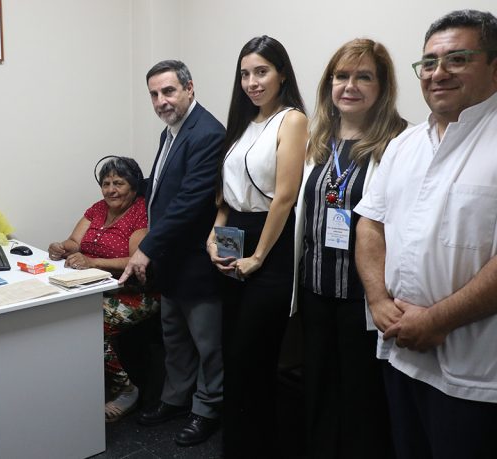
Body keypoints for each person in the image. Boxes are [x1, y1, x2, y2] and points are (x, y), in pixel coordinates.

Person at [355, 9, 497, 459]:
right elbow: (370, 224)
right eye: (429, 62)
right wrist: (378, 301)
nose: (438, 73)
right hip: (400, 352)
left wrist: (437, 321)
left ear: (494, 66)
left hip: (476, 370)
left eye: (457, 59)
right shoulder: (404, 145)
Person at [294, 39, 406, 458]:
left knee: (362, 396)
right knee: (318, 388)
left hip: (365, 296)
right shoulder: (318, 140)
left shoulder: (398, 142)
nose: (350, 86)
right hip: (316, 288)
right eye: (341, 76)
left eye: (364, 77)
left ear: (382, 86)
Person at [205, 35, 307, 458]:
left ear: (282, 73)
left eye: (261, 71)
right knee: (233, 352)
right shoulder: (244, 123)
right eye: (245, 74)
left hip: (271, 243)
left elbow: (284, 197)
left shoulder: (291, 120)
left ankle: (260, 447)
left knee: (255, 355)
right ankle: (237, 445)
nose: (252, 82)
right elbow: (227, 195)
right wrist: (213, 236)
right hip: (235, 236)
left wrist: (259, 257)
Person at [119, 60, 225, 447]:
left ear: (189, 88)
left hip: (196, 261)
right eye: (154, 94)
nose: (161, 101)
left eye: (168, 91)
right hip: (171, 261)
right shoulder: (172, 131)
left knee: (208, 343)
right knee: (175, 337)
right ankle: (176, 399)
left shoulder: (207, 132)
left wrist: (145, 248)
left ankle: (208, 409)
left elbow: (190, 202)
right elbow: (164, 188)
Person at [47, 156, 160, 423]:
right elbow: (74, 242)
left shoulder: (141, 212)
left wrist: (92, 262)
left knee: (87, 324)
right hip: (96, 289)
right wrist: (61, 247)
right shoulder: (98, 209)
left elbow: (134, 261)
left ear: (133, 186)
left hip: (135, 293)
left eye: (118, 183)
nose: (111, 190)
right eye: (106, 184)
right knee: (59, 315)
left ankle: (126, 389)